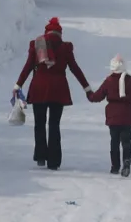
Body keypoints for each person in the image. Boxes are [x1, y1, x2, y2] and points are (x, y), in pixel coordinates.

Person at [14, 17, 92, 170]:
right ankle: (54, 161)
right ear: (59, 33)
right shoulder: (65, 47)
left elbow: (28, 66)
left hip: (39, 88)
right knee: (54, 125)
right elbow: (75, 68)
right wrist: (87, 88)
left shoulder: (37, 44)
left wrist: (18, 85)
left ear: (46, 32)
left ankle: (41, 156)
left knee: (39, 124)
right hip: (58, 90)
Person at [87, 54, 131, 177]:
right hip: (127, 115)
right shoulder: (129, 80)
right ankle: (126, 162)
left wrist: (89, 95)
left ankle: (115, 166)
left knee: (114, 142)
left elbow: (98, 96)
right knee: (126, 141)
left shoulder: (109, 80)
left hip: (113, 116)